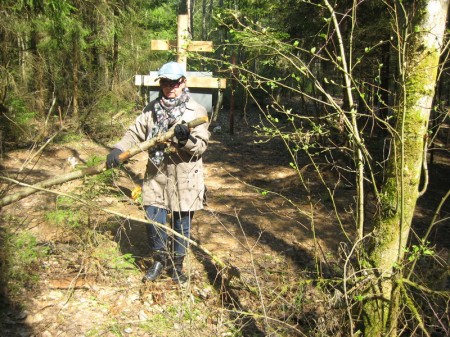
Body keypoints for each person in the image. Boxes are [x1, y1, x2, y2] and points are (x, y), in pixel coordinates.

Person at [106, 61, 210, 283]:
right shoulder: (151, 109)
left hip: (185, 176)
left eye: (175, 82)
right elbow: (134, 133)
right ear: (160, 83)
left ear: (183, 82)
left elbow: (200, 147)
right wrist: (118, 149)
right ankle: (159, 261)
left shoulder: (196, 110)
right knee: (155, 219)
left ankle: (177, 267)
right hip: (156, 174)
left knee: (182, 223)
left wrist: (185, 139)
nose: (170, 86)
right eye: (165, 82)